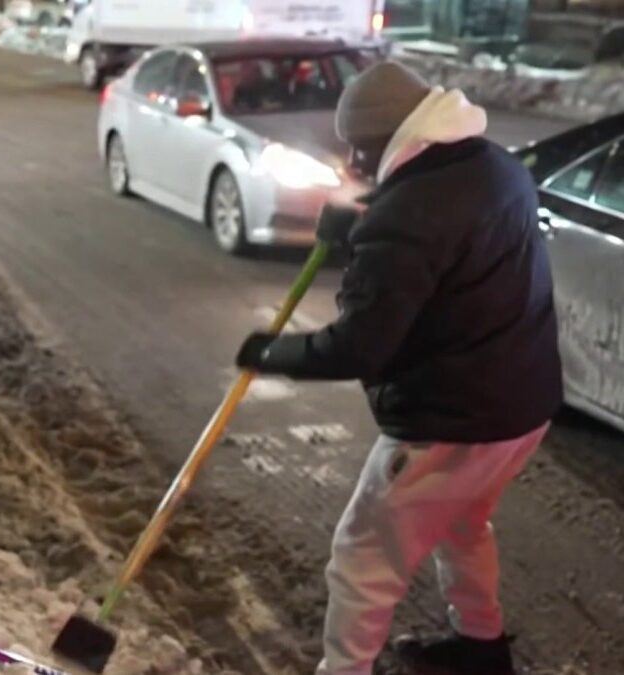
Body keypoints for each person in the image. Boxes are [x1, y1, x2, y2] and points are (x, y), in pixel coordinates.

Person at [235, 61, 563, 675]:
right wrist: (364, 223)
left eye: (359, 147)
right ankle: (481, 649)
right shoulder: (494, 165)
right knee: (463, 524)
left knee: (364, 557)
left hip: (452, 419)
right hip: (521, 406)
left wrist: (271, 353)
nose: (355, 161)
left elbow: (361, 344)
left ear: (387, 137)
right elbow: (446, 244)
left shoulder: (407, 214)